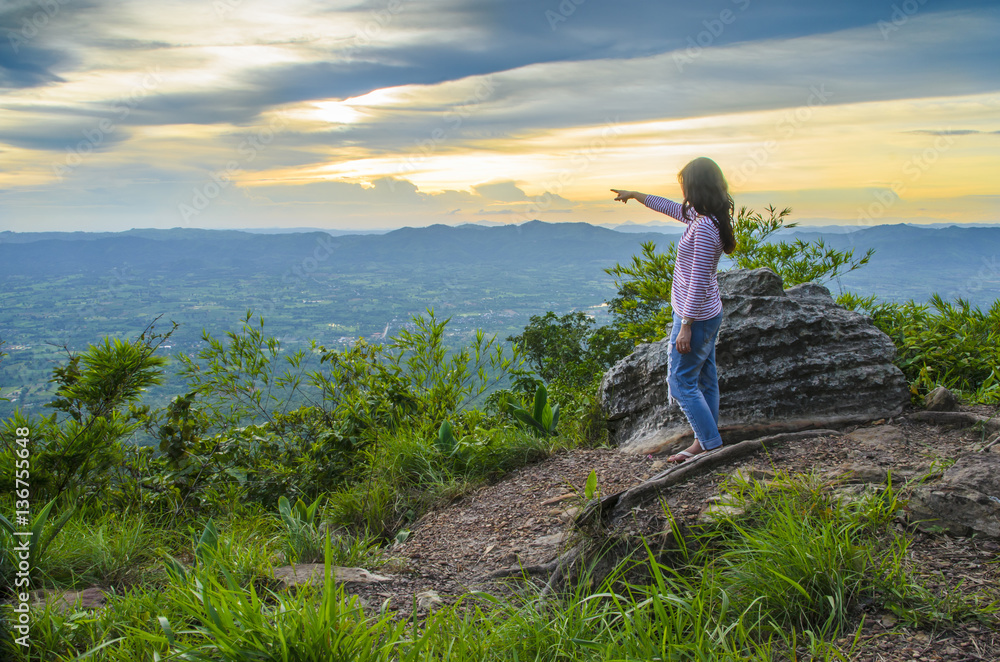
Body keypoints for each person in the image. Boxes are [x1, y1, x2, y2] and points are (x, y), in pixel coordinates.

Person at [611, 156, 736, 463]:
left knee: (680, 383)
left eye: (685, 185)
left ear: (696, 186)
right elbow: (668, 207)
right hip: (706, 313)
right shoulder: (707, 217)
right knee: (705, 380)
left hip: (697, 317)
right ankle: (703, 443)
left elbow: (698, 280)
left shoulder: (704, 228)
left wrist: (686, 325)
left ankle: (710, 446)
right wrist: (636, 195)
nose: (682, 191)